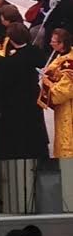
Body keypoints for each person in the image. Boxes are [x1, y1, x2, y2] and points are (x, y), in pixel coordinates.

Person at [0, 23, 49, 160]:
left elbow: (4, 71)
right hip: (32, 97)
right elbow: (39, 62)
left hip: (15, 102)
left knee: (18, 132)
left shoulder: (9, 62)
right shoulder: (34, 51)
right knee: (34, 128)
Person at [38, 28, 73, 158]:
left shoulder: (70, 66)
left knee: (67, 138)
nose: (50, 43)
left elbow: (62, 92)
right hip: (64, 108)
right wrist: (50, 72)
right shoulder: (63, 55)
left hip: (69, 108)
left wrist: (47, 82)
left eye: (54, 41)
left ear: (62, 44)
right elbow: (56, 68)